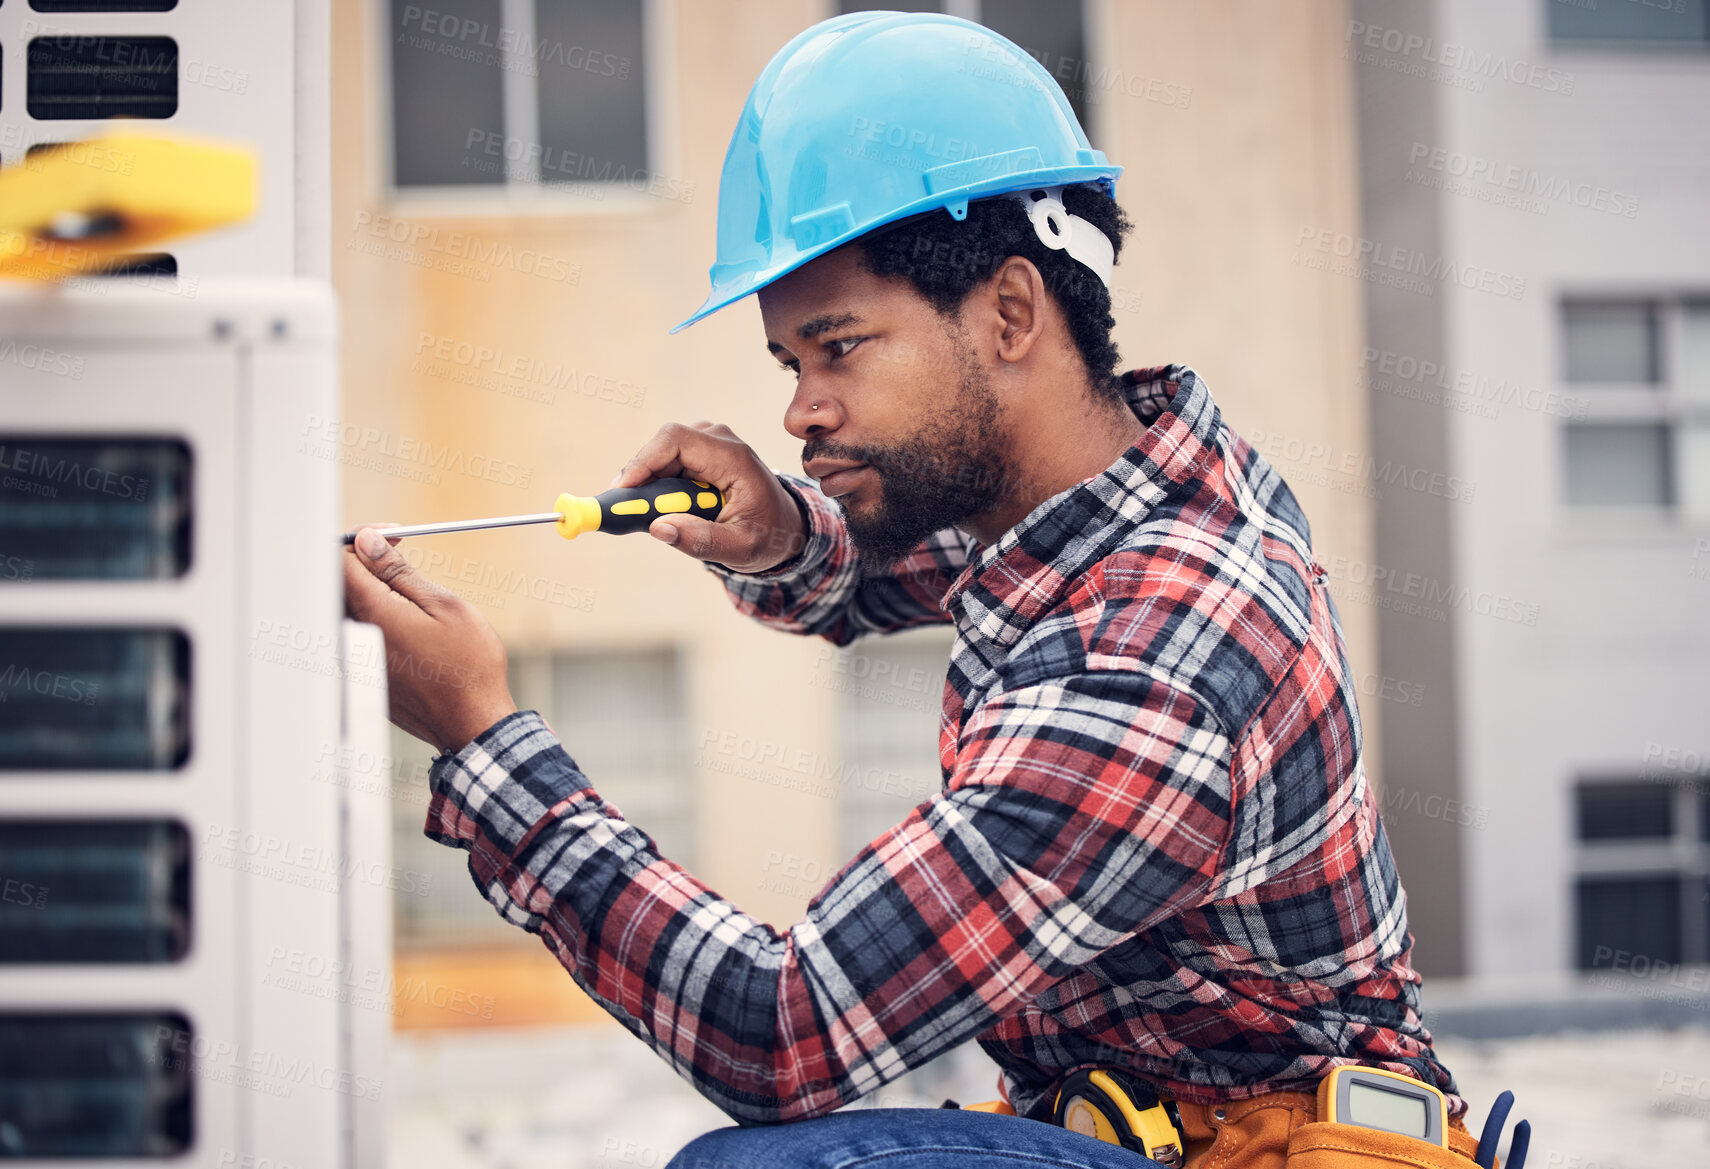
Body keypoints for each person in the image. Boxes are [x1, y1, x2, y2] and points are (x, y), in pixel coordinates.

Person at [343, 11, 1472, 1168]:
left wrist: (479, 735)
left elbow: (774, 1031)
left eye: (841, 348)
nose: (799, 411)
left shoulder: (1157, 661)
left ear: (1011, 313)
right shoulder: (1143, 481)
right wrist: (780, 530)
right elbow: (910, 569)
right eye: (793, 363)